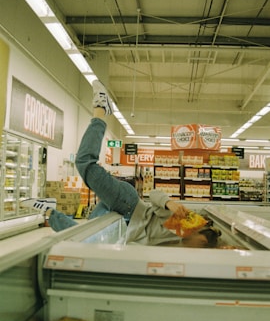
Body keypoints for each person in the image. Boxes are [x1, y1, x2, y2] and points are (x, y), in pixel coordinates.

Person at [20, 80, 221, 248]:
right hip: (128, 204)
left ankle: (48, 211)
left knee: (81, 235)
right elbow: (153, 194)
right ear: (202, 239)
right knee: (84, 162)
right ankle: (100, 109)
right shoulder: (189, 222)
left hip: (124, 226)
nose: (191, 250)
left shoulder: (180, 243)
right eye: (198, 246)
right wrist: (169, 202)